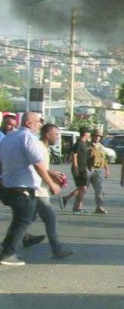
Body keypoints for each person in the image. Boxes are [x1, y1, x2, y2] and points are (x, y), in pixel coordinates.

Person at [0, 113, 70, 266]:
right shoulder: (28, 138)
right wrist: (51, 184)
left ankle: (11, 246)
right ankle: (7, 253)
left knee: (23, 218)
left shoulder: (9, 138)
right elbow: (38, 165)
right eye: (38, 121)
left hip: (9, 185)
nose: (40, 124)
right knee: (23, 219)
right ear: (28, 123)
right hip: (24, 187)